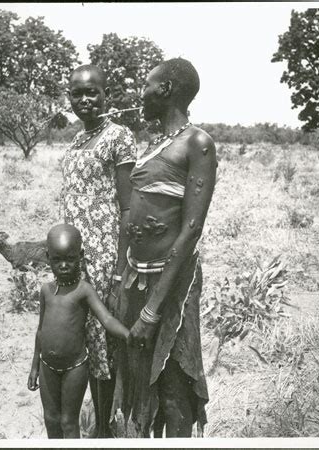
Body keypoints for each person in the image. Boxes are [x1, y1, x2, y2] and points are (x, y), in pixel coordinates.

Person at [112, 58, 218, 437]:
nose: (141, 93)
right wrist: (122, 273)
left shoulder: (197, 143)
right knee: (143, 382)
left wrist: (154, 310)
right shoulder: (159, 142)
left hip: (171, 285)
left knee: (173, 387)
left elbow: (190, 230)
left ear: (166, 89)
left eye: (147, 85)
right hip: (138, 277)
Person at [60, 65, 137, 437]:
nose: (85, 100)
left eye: (93, 92)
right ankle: (98, 426)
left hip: (104, 255)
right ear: (69, 98)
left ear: (107, 95)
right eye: (78, 94)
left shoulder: (118, 136)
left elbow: (127, 208)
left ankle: (107, 429)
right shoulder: (76, 140)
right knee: (84, 338)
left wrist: (121, 268)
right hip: (73, 259)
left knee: (103, 342)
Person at [28, 224, 129, 439]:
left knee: (68, 422)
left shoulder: (83, 290)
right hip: (47, 366)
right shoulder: (46, 291)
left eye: (70, 259)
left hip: (75, 367)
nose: (63, 265)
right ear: (48, 257)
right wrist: (35, 367)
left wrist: (128, 335)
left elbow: (107, 319)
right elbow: (40, 331)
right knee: (51, 419)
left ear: (80, 256)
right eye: (57, 260)